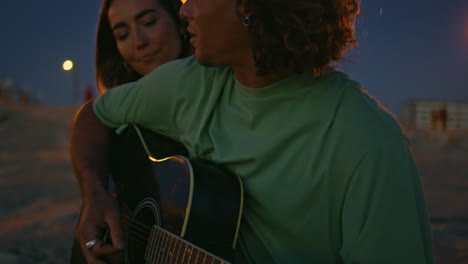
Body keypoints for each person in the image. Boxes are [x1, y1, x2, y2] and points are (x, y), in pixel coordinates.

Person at [70, 0, 436, 263]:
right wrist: (95, 193)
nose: (184, 11)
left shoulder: (368, 143)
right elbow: (94, 115)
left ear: (249, 7)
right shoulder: (189, 84)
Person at [70, 0, 192, 263]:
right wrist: (94, 193)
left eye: (149, 23)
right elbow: (91, 113)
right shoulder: (125, 109)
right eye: (122, 35)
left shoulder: (211, 81)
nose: (138, 41)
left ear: (181, 21)